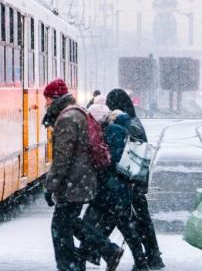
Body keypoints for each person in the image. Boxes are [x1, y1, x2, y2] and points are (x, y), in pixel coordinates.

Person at [42, 79, 123, 271]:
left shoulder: (67, 118)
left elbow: (62, 158)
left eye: (46, 99)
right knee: (70, 222)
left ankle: (71, 266)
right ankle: (107, 250)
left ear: (54, 98)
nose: (45, 103)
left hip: (74, 181)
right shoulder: (78, 112)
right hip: (82, 179)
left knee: (60, 228)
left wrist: (50, 186)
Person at [80, 112, 148, 270]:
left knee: (87, 224)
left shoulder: (113, 132)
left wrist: (100, 170)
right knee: (125, 227)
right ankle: (139, 262)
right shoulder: (122, 131)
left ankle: (86, 257)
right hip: (119, 190)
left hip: (110, 190)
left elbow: (112, 160)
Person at [105, 88, 164, 270]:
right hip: (136, 180)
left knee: (131, 220)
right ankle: (151, 256)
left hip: (130, 181)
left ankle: (145, 258)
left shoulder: (126, 125)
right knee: (139, 220)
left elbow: (128, 155)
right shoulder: (133, 121)